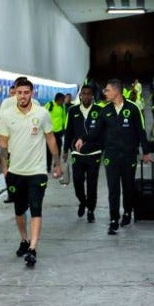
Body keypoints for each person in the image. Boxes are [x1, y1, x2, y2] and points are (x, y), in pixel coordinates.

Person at [0, 78, 62, 267]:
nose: (23, 96)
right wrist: (4, 167)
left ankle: (33, 248)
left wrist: (57, 163)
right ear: (14, 93)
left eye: (26, 92)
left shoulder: (42, 113)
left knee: (35, 207)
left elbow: (50, 138)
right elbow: (3, 143)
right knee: (19, 210)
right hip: (16, 171)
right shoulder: (7, 115)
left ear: (32, 93)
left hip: (37, 171)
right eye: (20, 92)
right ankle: (24, 240)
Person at [75, 78, 151, 235]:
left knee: (128, 187)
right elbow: (95, 131)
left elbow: (141, 131)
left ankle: (128, 212)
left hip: (129, 155)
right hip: (111, 156)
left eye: (107, 90)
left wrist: (146, 152)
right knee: (113, 189)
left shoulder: (133, 108)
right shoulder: (105, 111)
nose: (105, 92)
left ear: (117, 91)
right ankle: (114, 220)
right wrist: (83, 138)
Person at [63, 84, 102, 222]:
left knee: (92, 184)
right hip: (77, 153)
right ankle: (82, 201)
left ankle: (91, 209)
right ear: (80, 95)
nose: (86, 96)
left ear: (92, 96)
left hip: (94, 153)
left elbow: (102, 132)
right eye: (83, 93)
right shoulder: (73, 111)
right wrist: (65, 150)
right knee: (78, 181)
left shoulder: (99, 110)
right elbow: (68, 132)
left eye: (88, 94)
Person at [45, 92, 66, 172]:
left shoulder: (62, 106)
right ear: (58, 99)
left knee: (58, 149)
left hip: (59, 132)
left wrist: (64, 127)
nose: (63, 102)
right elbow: (43, 116)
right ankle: (48, 166)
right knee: (49, 150)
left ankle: (56, 165)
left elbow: (63, 117)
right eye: (62, 100)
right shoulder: (49, 105)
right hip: (50, 132)